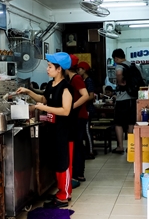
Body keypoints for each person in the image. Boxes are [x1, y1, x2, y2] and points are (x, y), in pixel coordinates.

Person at [16, 52, 73, 208]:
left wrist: (44, 108)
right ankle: (61, 191)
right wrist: (28, 92)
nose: (47, 69)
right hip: (53, 129)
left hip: (63, 131)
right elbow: (43, 99)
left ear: (59, 69)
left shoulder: (66, 87)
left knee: (64, 163)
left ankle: (65, 195)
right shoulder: (51, 85)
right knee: (57, 161)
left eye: (50, 67)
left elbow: (66, 110)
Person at [112, 49, 141, 154]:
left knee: (118, 123)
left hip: (122, 100)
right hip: (133, 98)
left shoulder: (120, 66)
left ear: (116, 58)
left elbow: (119, 74)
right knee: (131, 123)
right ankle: (130, 147)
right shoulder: (133, 66)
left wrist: (120, 82)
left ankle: (120, 147)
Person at [67, 55, 90, 185]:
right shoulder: (72, 79)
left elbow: (85, 95)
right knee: (78, 145)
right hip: (77, 116)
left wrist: (71, 107)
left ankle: (77, 174)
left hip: (79, 116)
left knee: (77, 146)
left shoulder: (76, 78)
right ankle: (79, 174)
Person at [77, 61, 97, 159]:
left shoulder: (88, 80)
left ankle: (90, 151)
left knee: (87, 131)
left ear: (84, 70)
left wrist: (81, 100)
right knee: (85, 131)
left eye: (79, 69)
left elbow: (91, 96)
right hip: (84, 108)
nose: (78, 71)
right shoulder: (83, 80)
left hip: (88, 108)